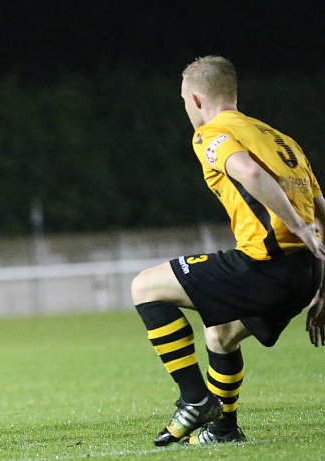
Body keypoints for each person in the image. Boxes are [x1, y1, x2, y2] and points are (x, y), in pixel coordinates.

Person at [131, 55, 325, 447]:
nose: (187, 110)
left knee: (145, 287)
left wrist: (297, 225)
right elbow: (322, 208)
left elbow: (250, 173)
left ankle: (196, 399)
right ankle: (223, 429)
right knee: (220, 335)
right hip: (306, 273)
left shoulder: (211, 134)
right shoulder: (279, 138)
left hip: (265, 266)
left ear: (198, 100)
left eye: (185, 102)